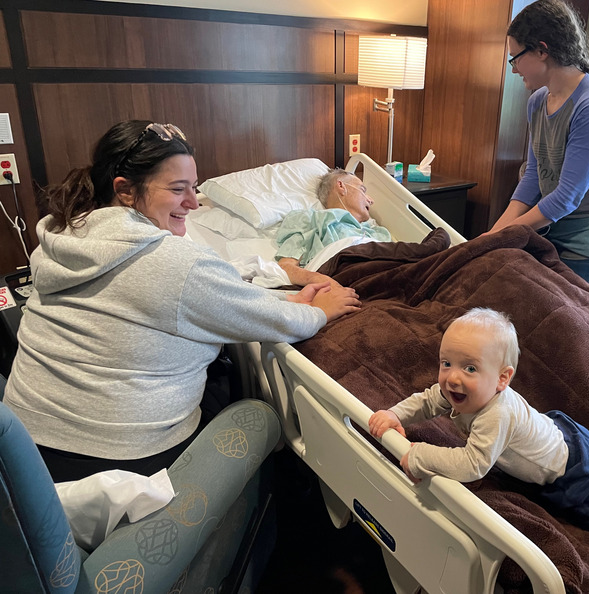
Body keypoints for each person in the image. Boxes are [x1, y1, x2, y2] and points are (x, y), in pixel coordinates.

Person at [3, 120, 361, 483]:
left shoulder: (64, 236)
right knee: (254, 409)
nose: (193, 203)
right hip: (118, 461)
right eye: (178, 190)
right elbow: (279, 320)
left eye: (193, 187)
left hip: (22, 452)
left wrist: (280, 293)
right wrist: (316, 311)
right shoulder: (173, 262)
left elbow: (199, 291)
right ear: (125, 191)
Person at [368, 308, 589, 538]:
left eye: (470, 368)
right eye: (446, 363)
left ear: (503, 378)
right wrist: (396, 414)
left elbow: (473, 464)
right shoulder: (457, 391)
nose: (452, 377)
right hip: (560, 433)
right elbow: (427, 399)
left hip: (567, 471)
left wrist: (419, 455)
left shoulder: (496, 414)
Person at [487, 0, 589, 298]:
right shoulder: (538, 101)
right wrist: (493, 234)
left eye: (515, 58)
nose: (514, 69)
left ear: (542, 50)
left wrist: (507, 235)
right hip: (553, 228)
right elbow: (534, 176)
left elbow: (566, 198)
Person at [275, 168, 391, 287]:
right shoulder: (312, 219)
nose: (371, 200)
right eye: (362, 190)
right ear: (341, 186)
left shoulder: (376, 232)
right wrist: (327, 283)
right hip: (346, 273)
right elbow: (285, 266)